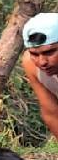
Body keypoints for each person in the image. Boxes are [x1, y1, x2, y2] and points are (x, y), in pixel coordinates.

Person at [21, 12, 58, 141]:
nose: (42, 62)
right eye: (35, 54)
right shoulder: (30, 64)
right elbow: (51, 113)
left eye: (49, 52)